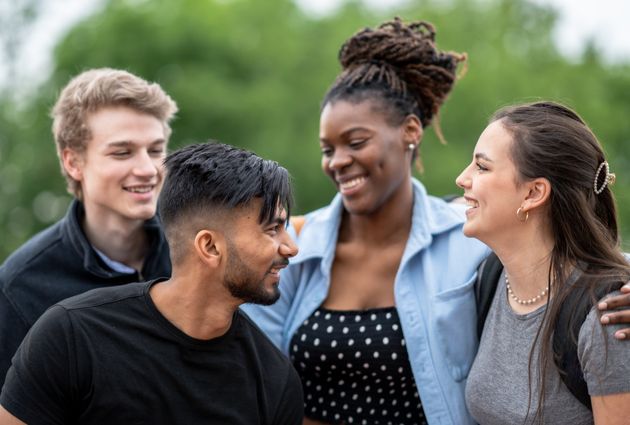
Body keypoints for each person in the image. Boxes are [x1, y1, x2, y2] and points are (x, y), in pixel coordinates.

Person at [242, 18, 491, 425]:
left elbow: (567, 263)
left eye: (356, 143)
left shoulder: (471, 236)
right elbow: (255, 376)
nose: (338, 162)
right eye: (328, 149)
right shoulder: (293, 245)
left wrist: (619, 287)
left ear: (410, 131)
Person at [0, 141, 304, 424]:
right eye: (273, 229)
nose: (291, 247)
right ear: (209, 247)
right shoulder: (70, 337)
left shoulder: (275, 380)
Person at [0, 68, 178, 386]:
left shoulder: (196, 252)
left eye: (155, 149)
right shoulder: (20, 286)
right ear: (73, 162)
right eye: (122, 152)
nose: (148, 168)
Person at [457, 101, 630, 424]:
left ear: (533, 193)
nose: (461, 179)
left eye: (481, 167)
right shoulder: (490, 276)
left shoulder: (608, 317)